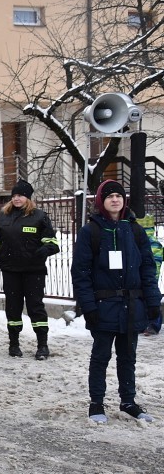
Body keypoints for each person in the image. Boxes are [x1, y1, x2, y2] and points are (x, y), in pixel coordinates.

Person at [71, 180, 161, 424]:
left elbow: (147, 269)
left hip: (132, 306)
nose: (115, 199)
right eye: (109, 196)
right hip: (103, 306)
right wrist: (88, 306)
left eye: (119, 196)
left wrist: (153, 302)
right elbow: (80, 273)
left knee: (128, 357)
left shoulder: (134, 230)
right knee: (100, 357)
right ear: (102, 201)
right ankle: (96, 403)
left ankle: (128, 401)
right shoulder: (91, 231)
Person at [0, 179, 60, 359]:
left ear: (28, 198)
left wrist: (45, 249)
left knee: (36, 308)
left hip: (34, 271)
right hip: (10, 270)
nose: (17, 199)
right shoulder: (3, 216)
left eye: (21, 195)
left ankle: (42, 345)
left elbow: (53, 243)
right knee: (13, 308)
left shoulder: (39, 216)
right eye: (14, 195)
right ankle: (14, 344)